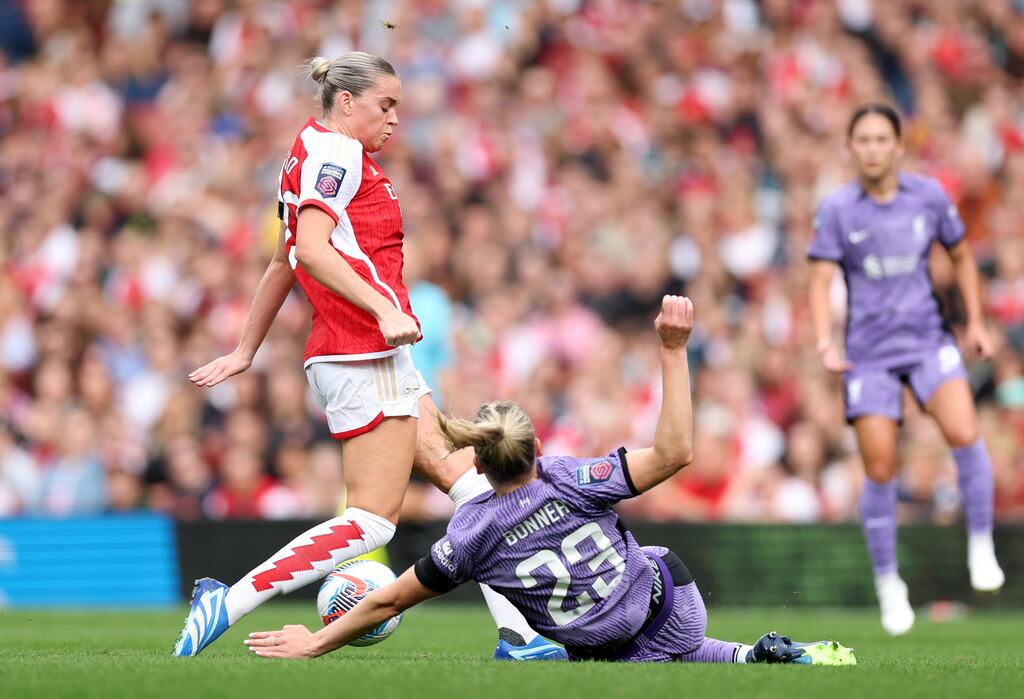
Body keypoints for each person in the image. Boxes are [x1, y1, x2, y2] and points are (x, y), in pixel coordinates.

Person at [172, 52, 561, 660]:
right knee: (373, 522)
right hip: (361, 350)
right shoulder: (338, 153)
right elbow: (312, 249)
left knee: (474, 491)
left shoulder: (303, 149)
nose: (395, 119)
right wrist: (382, 310)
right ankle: (232, 600)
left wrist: (247, 348)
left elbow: (284, 261)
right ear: (347, 101)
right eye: (387, 104)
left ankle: (520, 636)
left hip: (368, 353)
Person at [242, 296, 855, 666]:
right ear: (538, 448)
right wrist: (673, 351)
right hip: (676, 605)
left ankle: (748, 653)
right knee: (675, 642)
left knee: (622, 653)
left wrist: (316, 642)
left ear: (476, 464)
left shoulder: (470, 533)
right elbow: (675, 452)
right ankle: (761, 654)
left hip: (602, 646)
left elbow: (389, 598)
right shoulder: (573, 477)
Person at [807, 104, 1005, 636]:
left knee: (965, 430)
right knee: (879, 468)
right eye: (863, 139)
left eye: (881, 139)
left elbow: (962, 256)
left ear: (899, 146)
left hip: (926, 341)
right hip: (869, 353)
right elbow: (821, 280)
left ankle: (981, 543)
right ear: (851, 148)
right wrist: (825, 340)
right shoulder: (838, 209)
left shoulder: (930, 196)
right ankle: (888, 582)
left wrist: (976, 323)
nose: (872, 148)